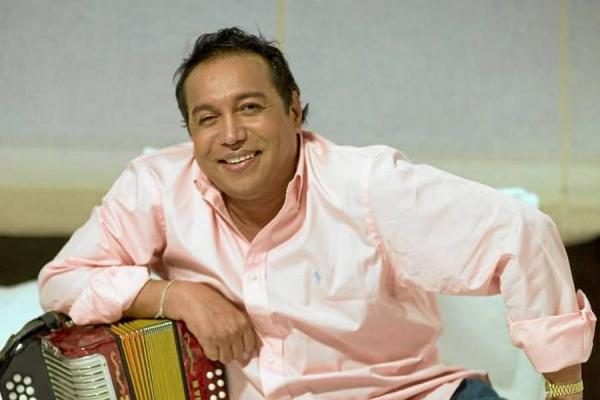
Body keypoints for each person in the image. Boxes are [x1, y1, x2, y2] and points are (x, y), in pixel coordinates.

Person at [38, 27, 595, 400]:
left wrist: (564, 390)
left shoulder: (370, 186)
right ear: (190, 132)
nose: (230, 135)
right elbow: (61, 281)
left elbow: (522, 234)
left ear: (293, 108)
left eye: (249, 108)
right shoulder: (156, 188)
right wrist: (178, 296)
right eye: (207, 118)